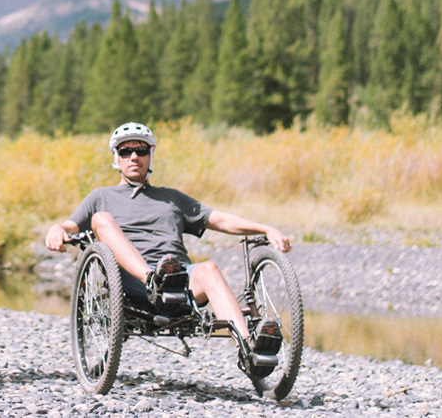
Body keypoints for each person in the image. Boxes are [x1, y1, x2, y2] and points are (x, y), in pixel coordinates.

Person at [43, 122, 292, 374]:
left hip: (177, 279)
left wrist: (265, 228)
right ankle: (153, 281)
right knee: (100, 219)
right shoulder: (101, 197)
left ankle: (250, 350)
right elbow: (69, 225)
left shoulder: (172, 197)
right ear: (116, 160)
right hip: (131, 282)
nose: (133, 157)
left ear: (151, 155)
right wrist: (56, 229)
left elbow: (221, 219)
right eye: (125, 152)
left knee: (208, 269)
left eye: (141, 150)